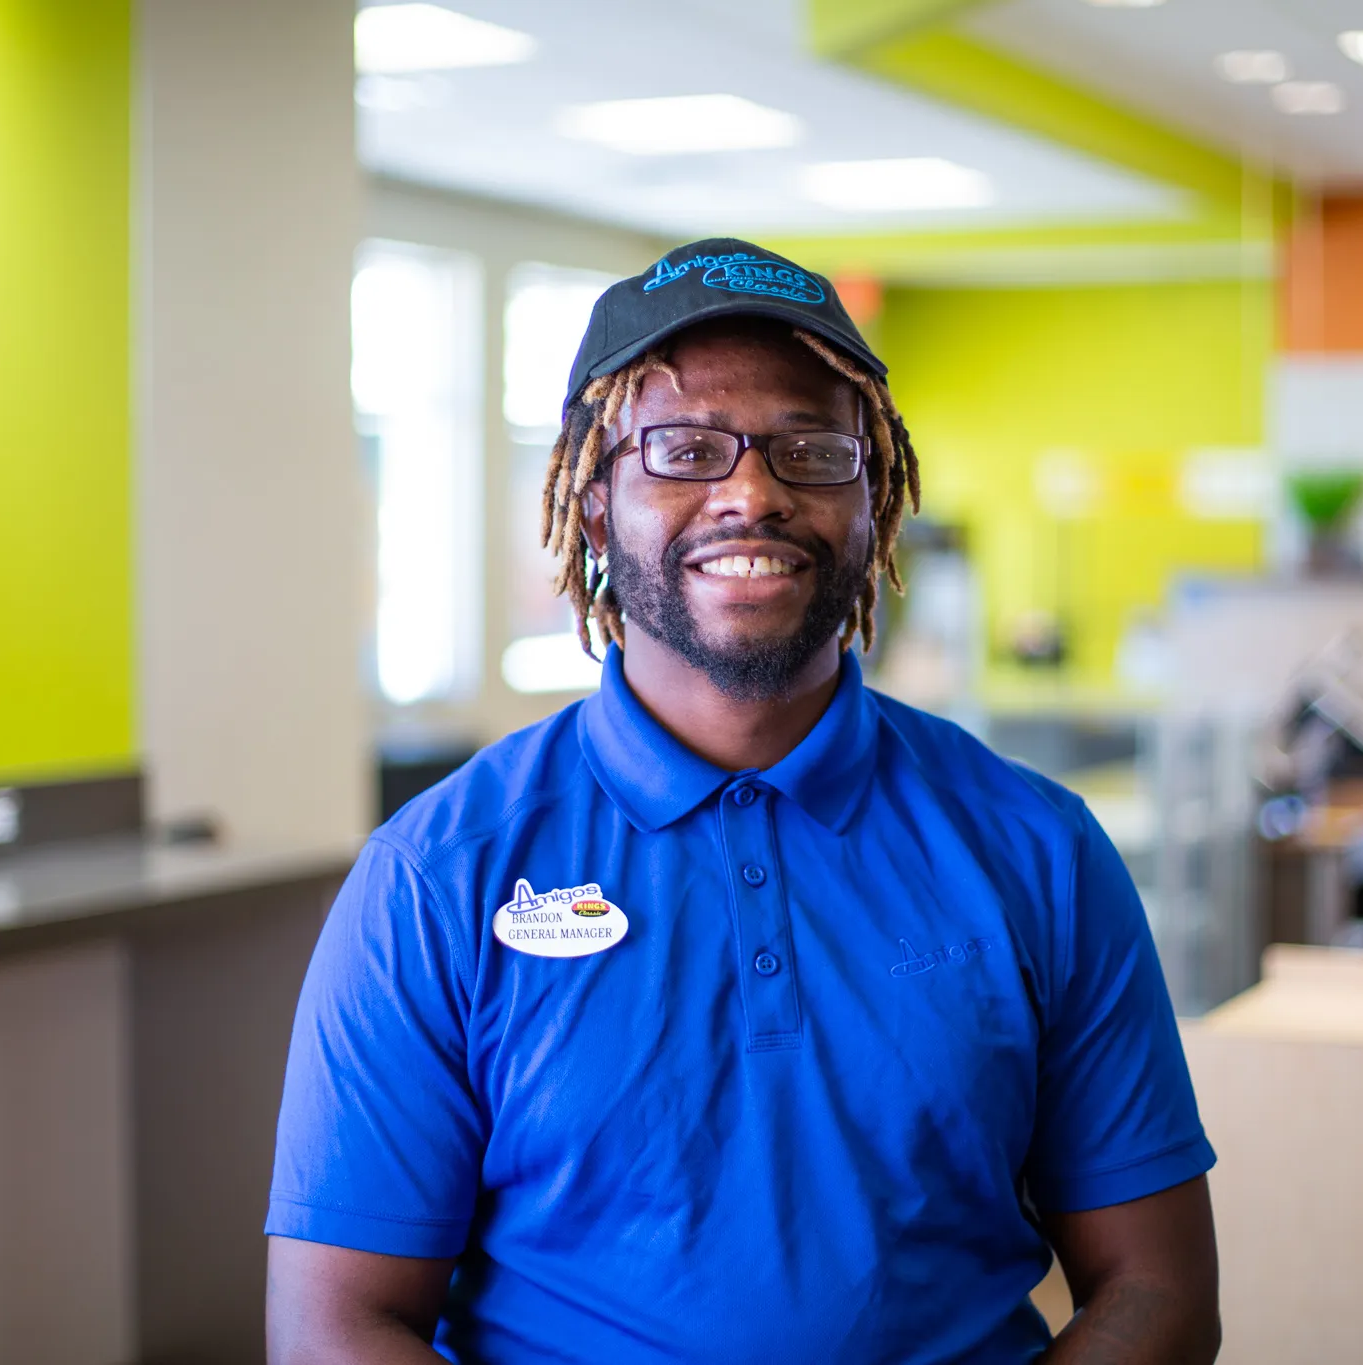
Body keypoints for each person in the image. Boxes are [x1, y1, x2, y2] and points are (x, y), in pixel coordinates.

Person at [265, 238, 1220, 1364]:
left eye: (811, 449)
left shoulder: (1036, 851)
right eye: (682, 449)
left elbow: (1156, 1291)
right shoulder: (439, 874)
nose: (751, 492)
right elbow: (336, 1326)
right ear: (590, 500)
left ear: (876, 501)